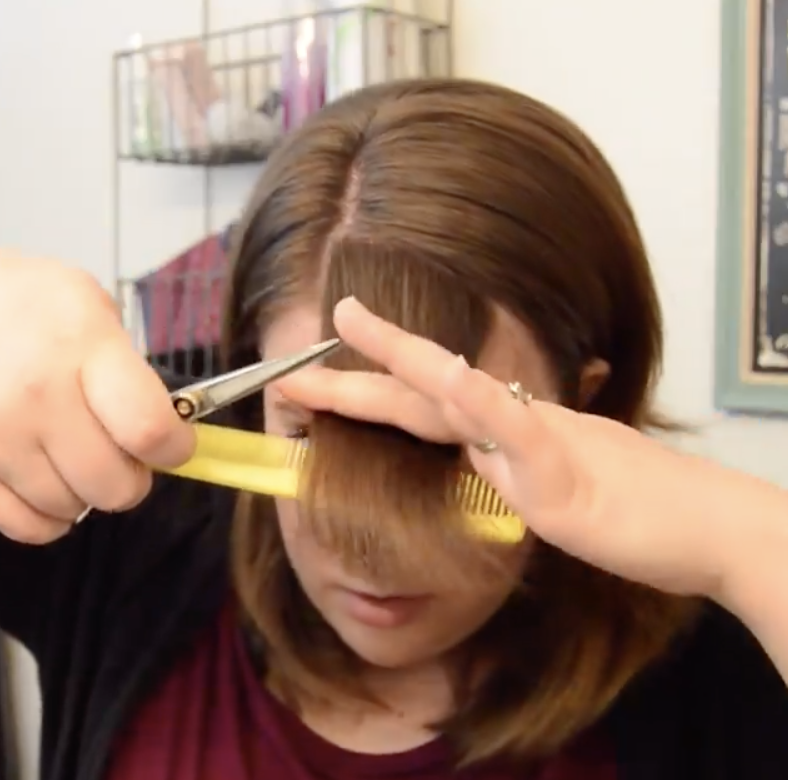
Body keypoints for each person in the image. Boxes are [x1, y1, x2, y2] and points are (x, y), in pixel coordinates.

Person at [0, 78, 786, 780]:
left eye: (446, 446)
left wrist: (754, 543)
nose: (370, 542)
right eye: (309, 431)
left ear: (584, 404)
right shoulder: (127, 522)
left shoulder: (715, 668)